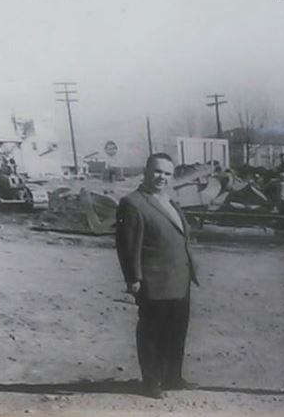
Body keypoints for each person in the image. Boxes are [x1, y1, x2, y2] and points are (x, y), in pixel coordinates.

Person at [115, 153, 199, 399]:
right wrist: (133, 278)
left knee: (177, 330)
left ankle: (173, 377)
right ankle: (151, 381)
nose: (162, 177)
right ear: (146, 171)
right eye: (157, 171)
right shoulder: (132, 203)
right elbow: (127, 245)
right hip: (154, 280)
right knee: (152, 332)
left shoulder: (169, 201)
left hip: (180, 279)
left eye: (167, 173)